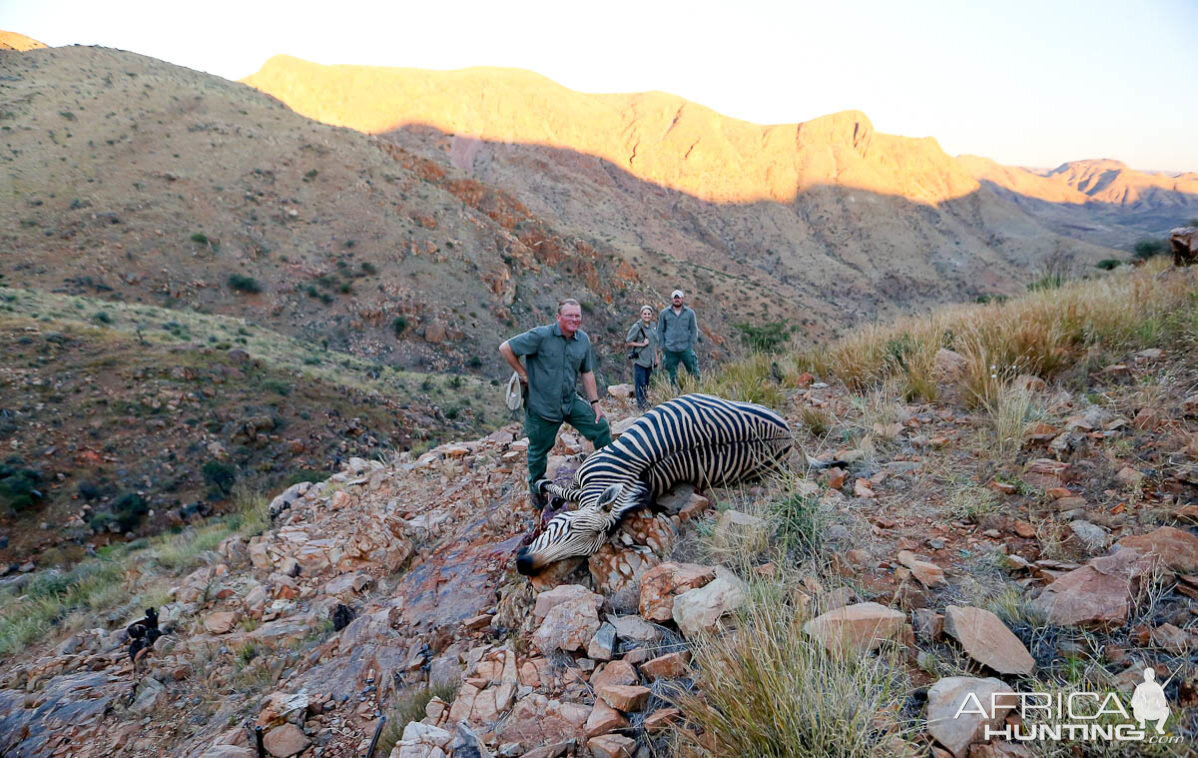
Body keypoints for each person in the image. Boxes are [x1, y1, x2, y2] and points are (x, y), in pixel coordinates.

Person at [499, 298, 612, 509]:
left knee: (601, 428)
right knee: (538, 451)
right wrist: (522, 374)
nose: (574, 319)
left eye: (577, 315)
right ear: (558, 317)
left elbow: (586, 372)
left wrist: (595, 403)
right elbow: (505, 348)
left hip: (570, 401)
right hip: (542, 406)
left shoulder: (583, 340)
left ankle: (607, 477)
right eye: (569, 315)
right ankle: (536, 490)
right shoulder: (541, 336)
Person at [657, 289, 700, 385]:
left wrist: (690, 343)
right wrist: (663, 346)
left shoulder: (690, 313)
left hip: (685, 348)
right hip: (670, 349)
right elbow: (660, 330)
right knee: (672, 375)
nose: (677, 300)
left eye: (679, 298)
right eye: (675, 298)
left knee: (694, 371)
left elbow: (694, 329)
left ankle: (698, 391)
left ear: (682, 299)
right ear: (672, 299)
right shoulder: (664, 313)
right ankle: (674, 394)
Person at [625, 305, 658, 411]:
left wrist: (656, 358)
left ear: (652, 315)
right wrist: (642, 344)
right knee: (640, 383)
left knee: (646, 384)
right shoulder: (637, 327)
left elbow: (654, 344)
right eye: (645, 314)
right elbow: (628, 342)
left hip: (650, 360)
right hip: (640, 360)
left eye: (649, 314)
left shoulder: (653, 325)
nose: (647, 316)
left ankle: (644, 402)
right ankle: (641, 406)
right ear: (641, 315)